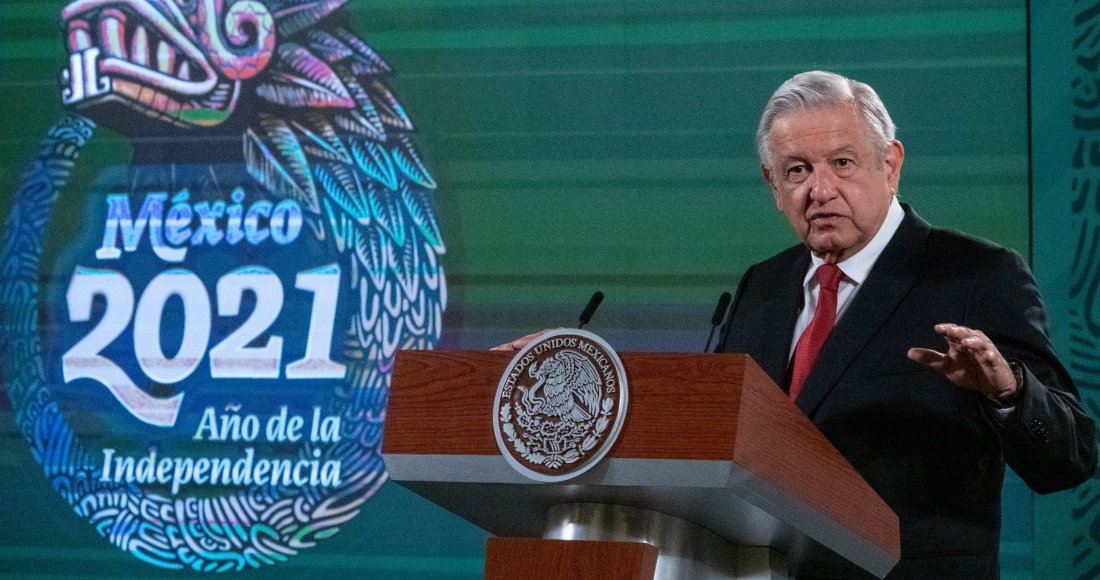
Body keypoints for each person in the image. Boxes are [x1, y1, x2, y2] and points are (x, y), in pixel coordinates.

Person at [713, 70, 1097, 579]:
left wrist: (1008, 392)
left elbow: (1069, 458)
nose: (819, 189)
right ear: (773, 185)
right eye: (797, 170)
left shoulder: (976, 275)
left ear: (890, 165)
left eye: (842, 163)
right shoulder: (761, 287)